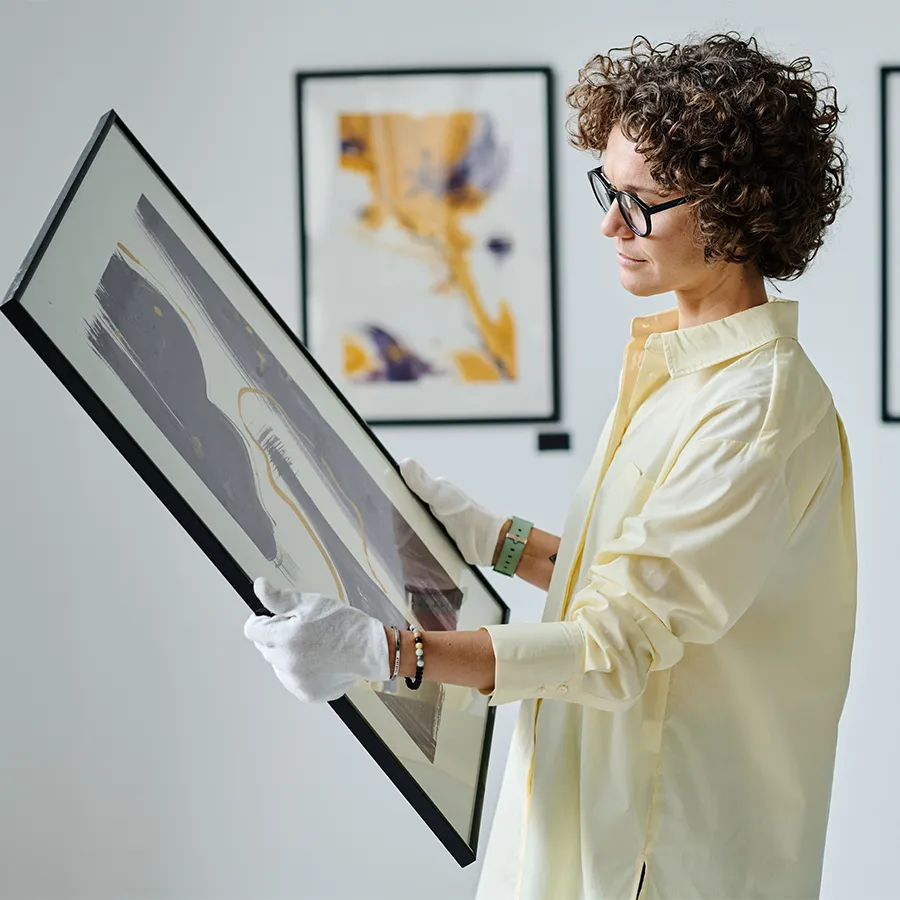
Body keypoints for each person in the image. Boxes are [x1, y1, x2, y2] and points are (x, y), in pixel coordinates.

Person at [243, 32, 857, 900]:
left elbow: (616, 643)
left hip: (661, 856)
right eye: (608, 187)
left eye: (641, 203)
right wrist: (486, 535)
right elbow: (634, 584)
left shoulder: (756, 410)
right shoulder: (682, 363)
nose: (610, 223)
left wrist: (388, 652)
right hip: (588, 826)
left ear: (734, 209)